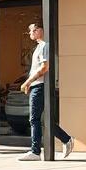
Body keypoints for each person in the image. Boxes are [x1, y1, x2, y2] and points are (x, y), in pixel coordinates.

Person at [19, 22, 74, 161]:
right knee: (44, 119)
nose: (30, 33)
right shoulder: (39, 47)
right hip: (37, 86)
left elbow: (44, 67)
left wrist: (28, 82)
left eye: (32, 30)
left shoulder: (44, 46)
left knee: (34, 119)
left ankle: (35, 151)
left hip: (40, 86)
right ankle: (66, 139)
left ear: (39, 30)